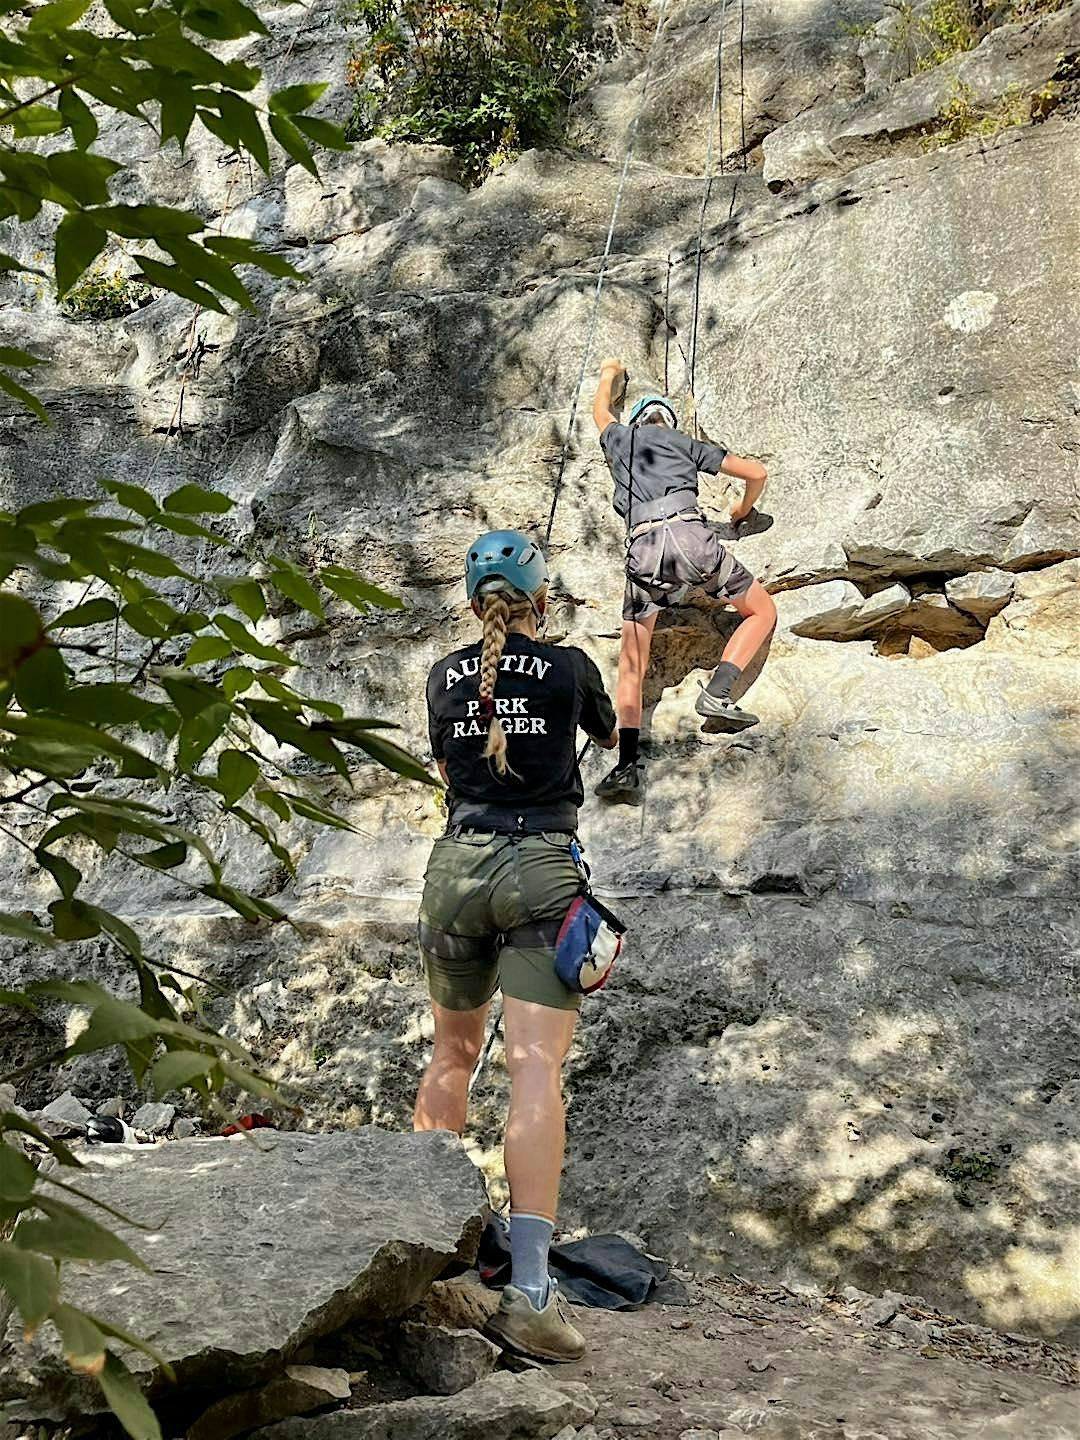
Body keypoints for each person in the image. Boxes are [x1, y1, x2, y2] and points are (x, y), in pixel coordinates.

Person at [414, 529, 618, 1363]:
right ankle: (531, 1293)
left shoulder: (441, 676)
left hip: (455, 867)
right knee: (535, 1069)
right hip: (540, 865)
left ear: (472, 604)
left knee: (451, 1056)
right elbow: (608, 733)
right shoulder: (568, 668)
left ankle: (421, 1261)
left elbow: (446, 768)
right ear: (541, 599)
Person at [590, 358, 777, 806]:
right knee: (761, 610)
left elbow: (600, 410)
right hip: (693, 541)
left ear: (637, 422)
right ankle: (718, 693)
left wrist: (609, 373)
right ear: (667, 422)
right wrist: (741, 511)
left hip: (644, 549)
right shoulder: (684, 443)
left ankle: (627, 765)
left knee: (633, 662)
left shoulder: (620, 439)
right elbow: (757, 473)